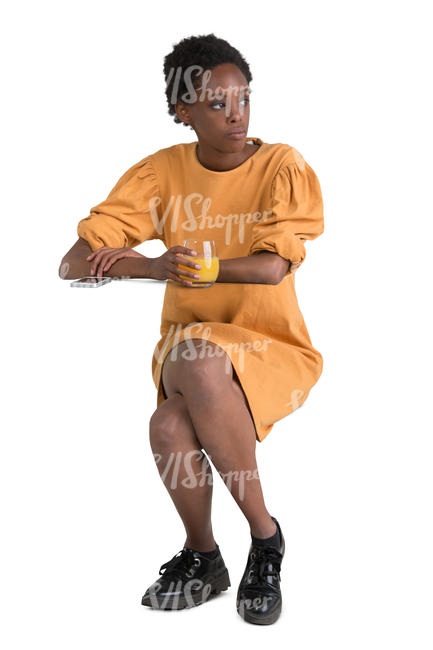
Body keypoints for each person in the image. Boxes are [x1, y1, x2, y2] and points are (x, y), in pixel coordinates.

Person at [58, 33, 325, 626]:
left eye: (244, 99)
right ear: (183, 110)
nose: (236, 116)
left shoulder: (282, 165)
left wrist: (202, 268)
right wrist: (153, 265)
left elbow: (273, 265)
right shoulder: (160, 174)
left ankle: (252, 540)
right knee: (198, 359)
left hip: (271, 345)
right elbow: (74, 262)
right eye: (216, 105)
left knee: (168, 424)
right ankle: (222, 553)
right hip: (189, 346)